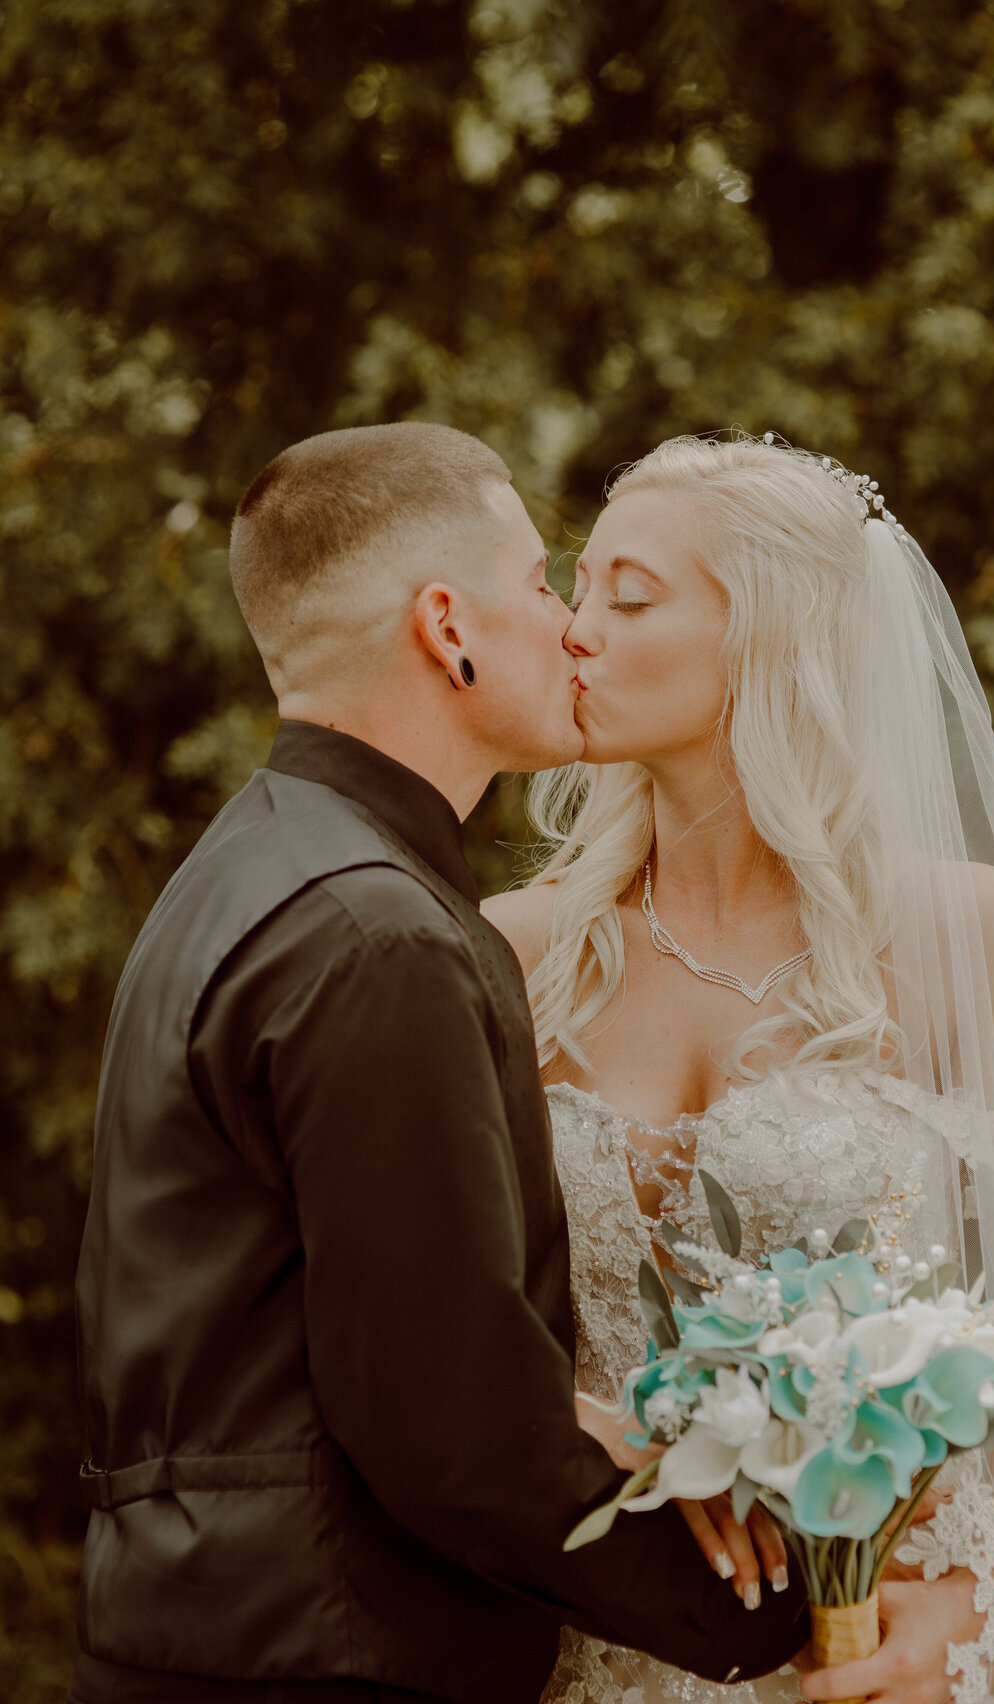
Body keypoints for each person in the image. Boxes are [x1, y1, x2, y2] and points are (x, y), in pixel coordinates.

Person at [70, 423, 814, 1704]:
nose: (569, 627)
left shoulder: (248, 874)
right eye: (540, 584)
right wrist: (777, 1616)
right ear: (445, 627)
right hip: (323, 1663)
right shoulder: (377, 935)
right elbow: (449, 1427)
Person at [484, 433, 994, 1704]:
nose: (574, 631)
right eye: (577, 586)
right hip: (587, 1646)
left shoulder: (957, 934)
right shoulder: (515, 953)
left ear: (771, 637)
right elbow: (438, 1316)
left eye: (631, 597)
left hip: (876, 1641)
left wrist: (974, 1598)